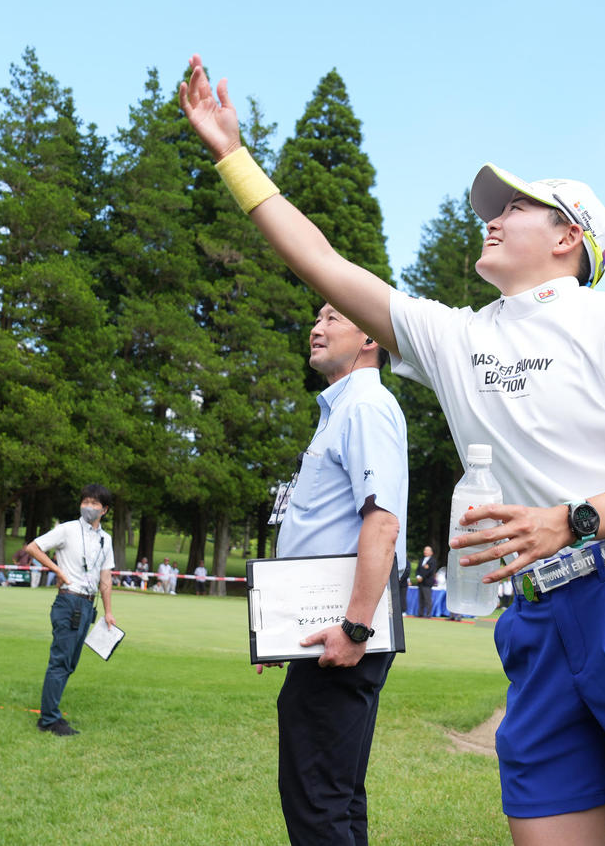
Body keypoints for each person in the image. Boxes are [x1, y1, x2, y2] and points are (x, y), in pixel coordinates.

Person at [180, 56, 605, 846]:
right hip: (537, 619)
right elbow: (322, 261)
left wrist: (572, 519)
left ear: (571, 237)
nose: (492, 217)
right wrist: (231, 153)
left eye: (518, 207)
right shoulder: (457, 336)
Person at [256, 299, 408, 846]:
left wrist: (357, 628)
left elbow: (382, 522)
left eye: (332, 318)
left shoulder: (366, 406)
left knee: (318, 797)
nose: (316, 328)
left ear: (370, 337)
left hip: (346, 629)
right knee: (334, 791)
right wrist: (278, 630)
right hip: (326, 625)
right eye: (315, 318)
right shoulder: (342, 409)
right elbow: (323, 530)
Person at [24, 483, 118, 737]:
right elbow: (33, 547)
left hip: (88, 604)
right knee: (61, 660)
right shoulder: (67, 529)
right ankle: (49, 719)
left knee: (70, 663)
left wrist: (108, 612)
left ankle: (51, 712)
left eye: (94, 503)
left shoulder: (105, 539)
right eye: (85, 502)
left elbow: (105, 576)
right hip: (69, 601)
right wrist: (57, 570)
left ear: (104, 510)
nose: (88, 507)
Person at [413, 545, 437, 618]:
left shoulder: (433, 561)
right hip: (420, 582)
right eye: (424, 550)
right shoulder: (421, 560)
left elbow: (430, 571)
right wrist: (418, 576)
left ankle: (429, 614)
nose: (425, 551)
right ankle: (420, 613)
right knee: (421, 599)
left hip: (427, 583)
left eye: (427, 550)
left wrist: (422, 577)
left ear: (431, 552)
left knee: (427, 599)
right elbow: (417, 570)